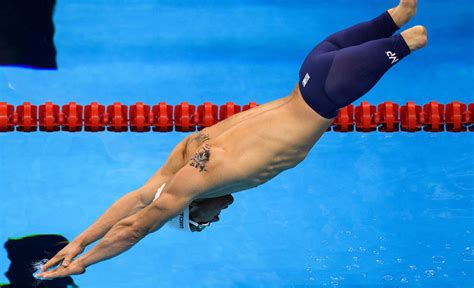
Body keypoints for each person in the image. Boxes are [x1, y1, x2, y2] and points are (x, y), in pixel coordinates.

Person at [38, 0, 427, 279]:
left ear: (190, 209)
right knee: (404, 10)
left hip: (331, 89)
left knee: (416, 35)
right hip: (315, 64)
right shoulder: (191, 148)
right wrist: (78, 241)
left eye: (202, 224)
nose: (216, 219)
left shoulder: (196, 180)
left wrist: (85, 260)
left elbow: (137, 223)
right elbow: (141, 194)